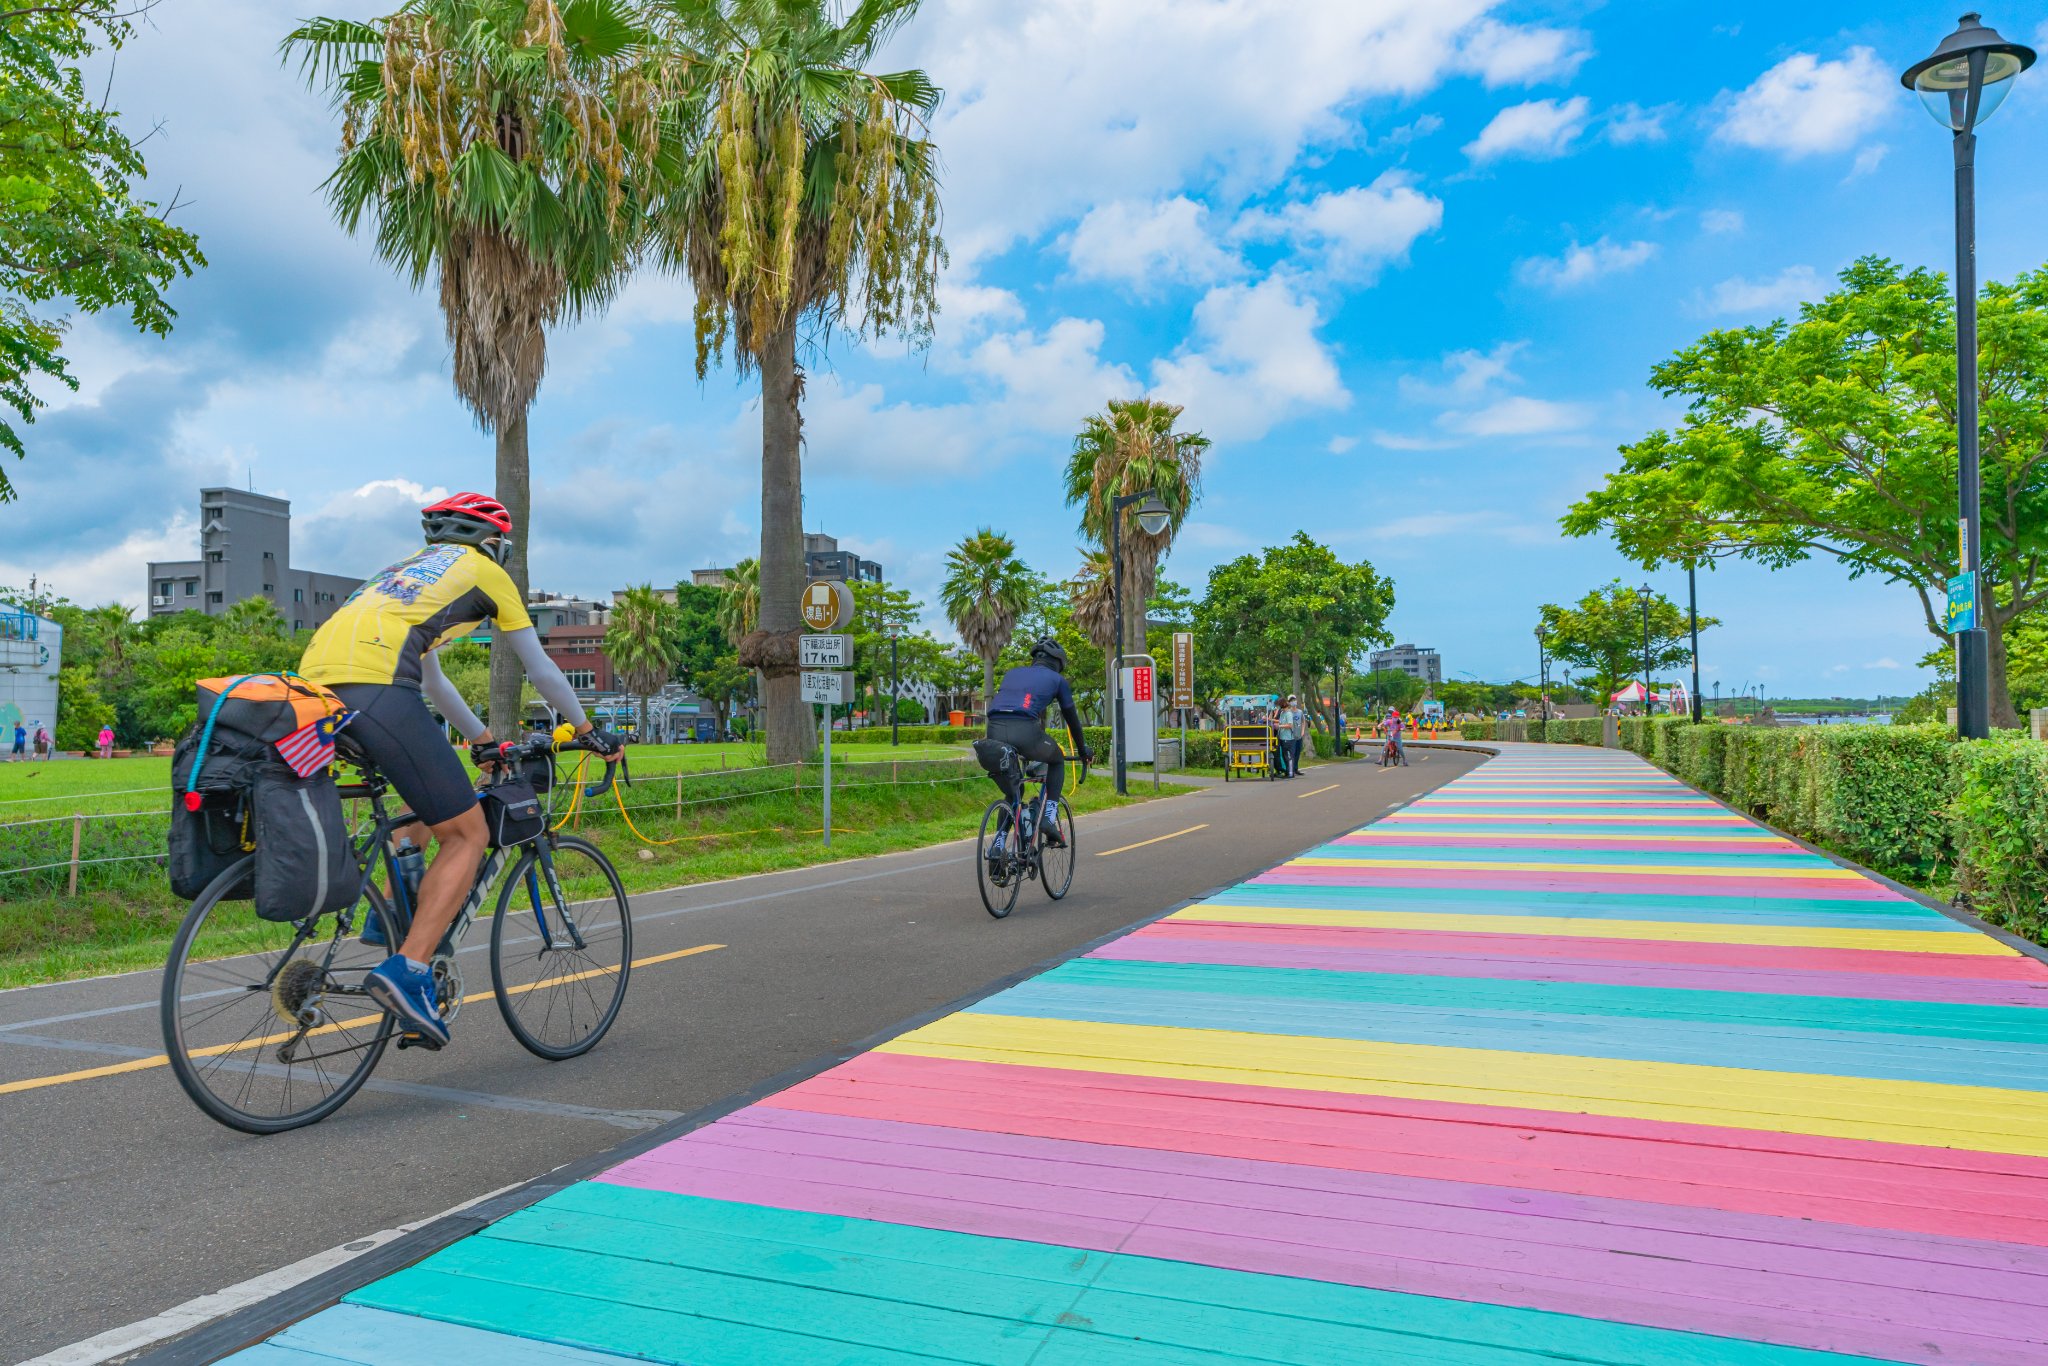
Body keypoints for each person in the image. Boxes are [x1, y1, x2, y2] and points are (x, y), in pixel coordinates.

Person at [299, 492, 623, 1048]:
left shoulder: (398, 576)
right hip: (378, 689)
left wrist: (481, 739)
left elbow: (434, 684)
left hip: (311, 693)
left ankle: (394, 912)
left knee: (428, 795)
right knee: (468, 833)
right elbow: (541, 667)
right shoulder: (484, 573)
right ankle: (409, 972)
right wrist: (588, 731)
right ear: (493, 542)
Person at [980, 637, 1091, 851]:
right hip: (1025, 731)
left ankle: (998, 844)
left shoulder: (1012, 673)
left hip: (993, 730)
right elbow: (1072, 719)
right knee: (1057, 758)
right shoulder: (1057, 680)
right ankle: (1049, 817)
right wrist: (1083, 749)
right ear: (1058, 663)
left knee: (1013, 794)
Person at [1273, 694, 1307, 778]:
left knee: (1289, 756)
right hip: (1283, 737)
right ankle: (1288, 771)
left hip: (1289, 738)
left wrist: (1279, 726)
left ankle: (1291, 773)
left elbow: (1290, 725)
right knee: (1285, 756)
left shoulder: (1289, 713)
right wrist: (1270, 719)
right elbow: (1280, 721)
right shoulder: (1282, 713)